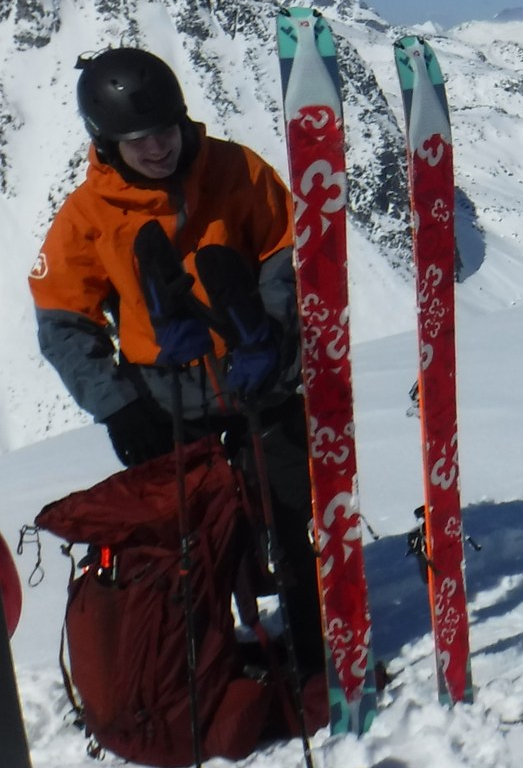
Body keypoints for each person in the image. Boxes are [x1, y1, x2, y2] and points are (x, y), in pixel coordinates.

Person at [29, 47, 324, 671]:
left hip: (260, 383)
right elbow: (63, 320)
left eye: (164, 131)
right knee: (194, 546)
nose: (157, 148)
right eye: (137, 139)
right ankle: (212, 666)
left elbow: (283, 248)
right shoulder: (87, 217)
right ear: (106, 142)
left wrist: (273, 332)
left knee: (291, 516)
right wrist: (118, 406)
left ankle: (315, 650)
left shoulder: (236, 170)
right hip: (166, 407)